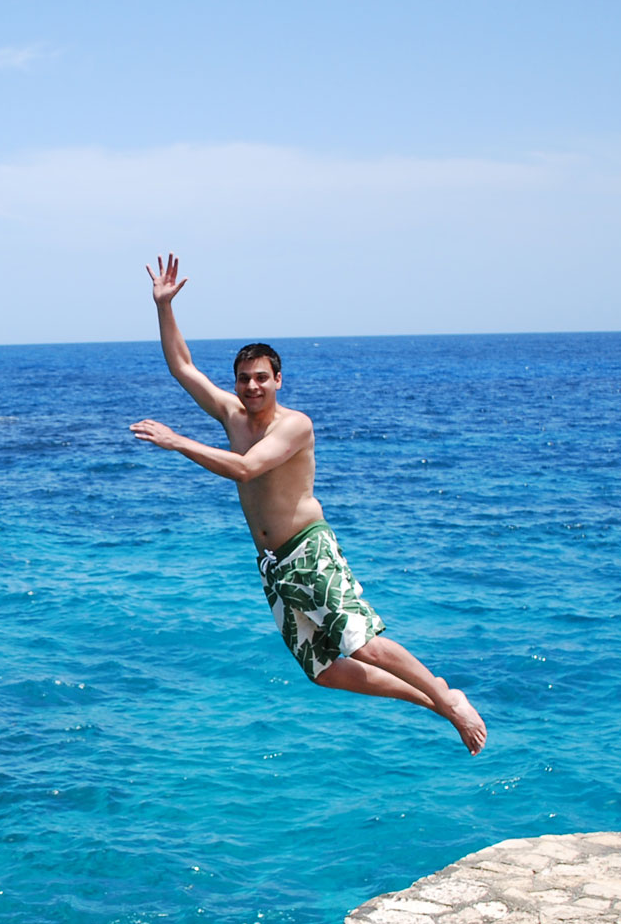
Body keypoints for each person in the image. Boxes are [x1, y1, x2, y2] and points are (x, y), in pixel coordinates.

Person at [129, 254, 487, 754]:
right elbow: (182, 366)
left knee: (362, 643)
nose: (251, 387)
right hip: (274, 565)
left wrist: (177, 441)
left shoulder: (294, 425)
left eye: (261, 378)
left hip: (309, 551)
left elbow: (247, 468)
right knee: (324, 670)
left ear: (278, 380)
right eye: (243, 378)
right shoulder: (232, 415)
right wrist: (164, 307)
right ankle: (437, 703)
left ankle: (450, 700)